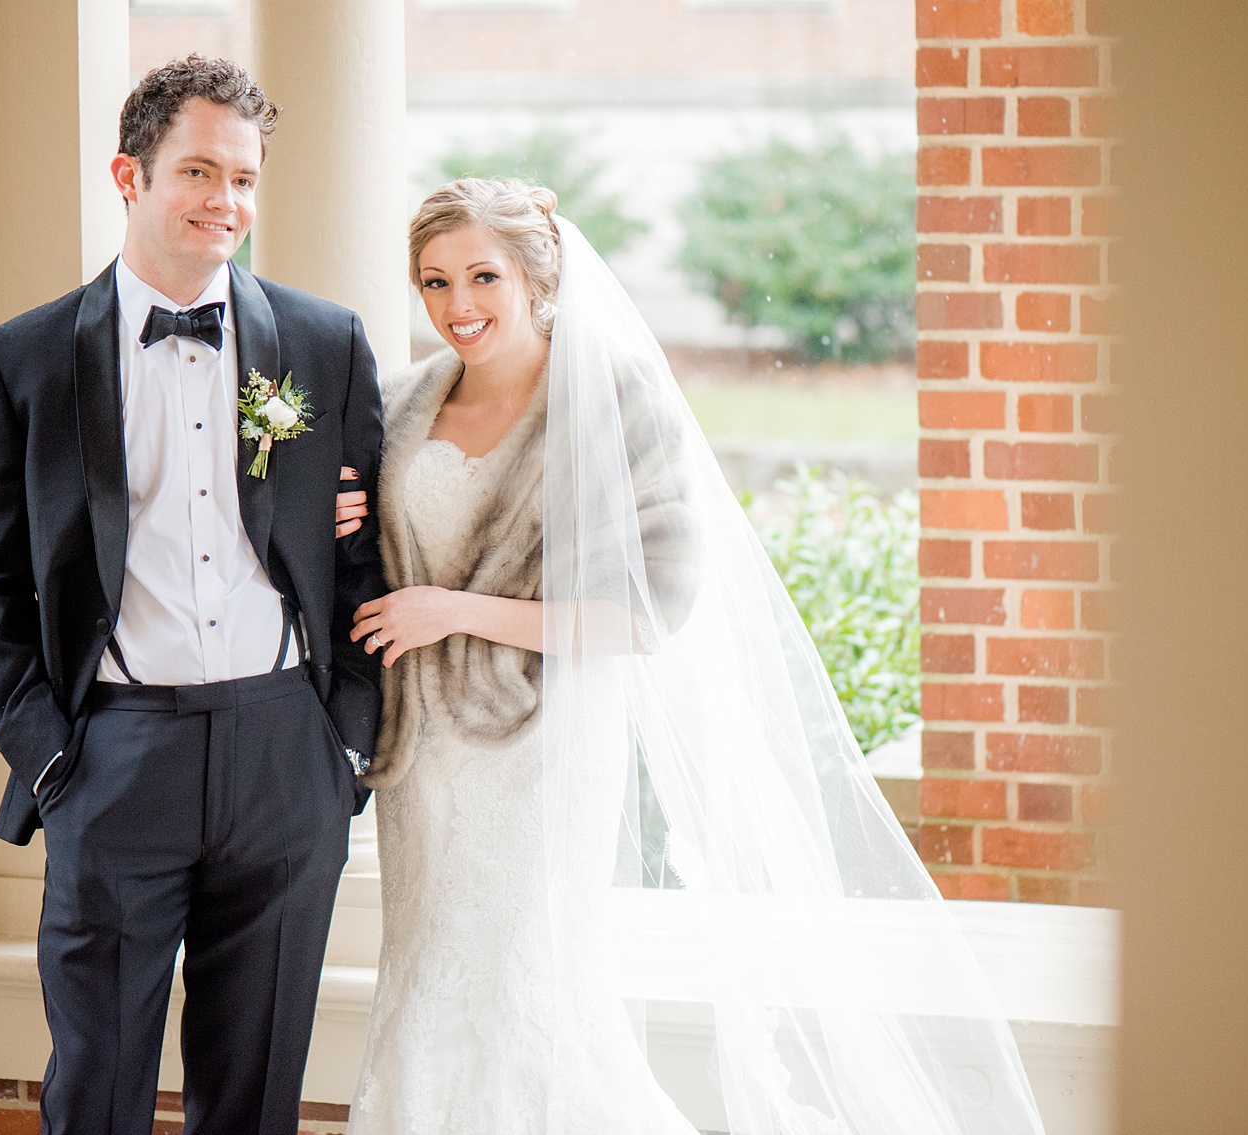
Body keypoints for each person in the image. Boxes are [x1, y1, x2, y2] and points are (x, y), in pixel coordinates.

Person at [344, 178, 1050, 1135]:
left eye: (482, 276)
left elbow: (648, 610)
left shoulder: (611, 398)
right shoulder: (403, 400)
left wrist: (453, 610)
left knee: (526, 983)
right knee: (424, 973)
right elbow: (374, 558)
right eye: (434, 281)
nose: (457, 304)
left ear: (539, 276)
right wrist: (350, 515)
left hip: (542, 750)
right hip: (424, 757)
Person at [0, 56, 385, 1135]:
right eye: (197, 170)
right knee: (95, 1089)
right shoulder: (26, 357)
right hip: (113, 758)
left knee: (256, 1092)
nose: (224, 202)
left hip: (287, 755)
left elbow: (368, 549)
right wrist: (50, 756)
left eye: (242, 178)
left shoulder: (325, 344)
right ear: (128, 176)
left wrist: (346, 746)